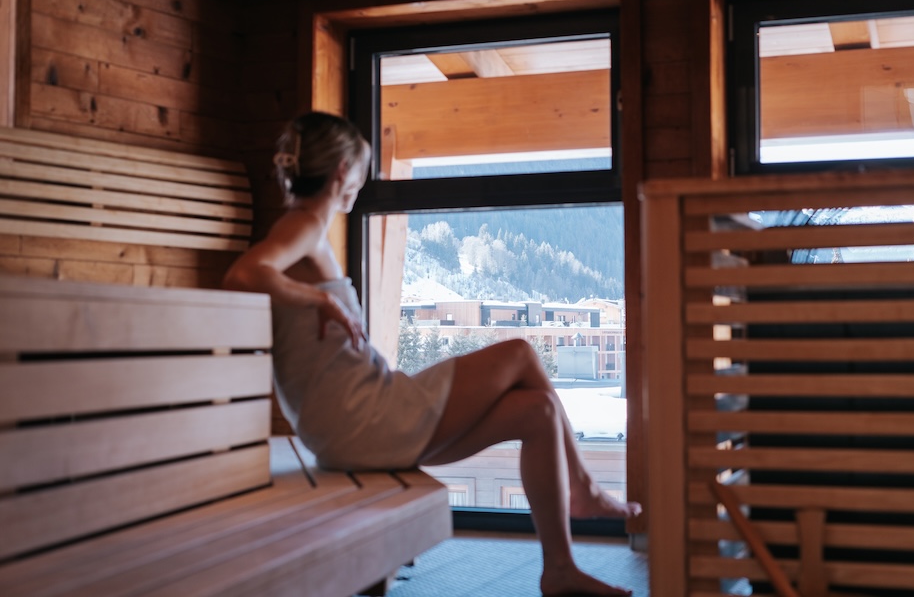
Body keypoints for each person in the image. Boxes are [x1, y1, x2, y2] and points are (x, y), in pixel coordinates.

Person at [223, 111, 641, 597]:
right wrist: (320, 298)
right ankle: (585, 492)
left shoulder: (304, 229)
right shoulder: (306, 226)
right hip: (361, 419)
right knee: (521, 352)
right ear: (342, 171)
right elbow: (244, 274)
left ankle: (560, 570)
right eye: (361, 172)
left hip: (353, 419)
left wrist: (319, 299)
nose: (361, 183)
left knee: (538, 411)